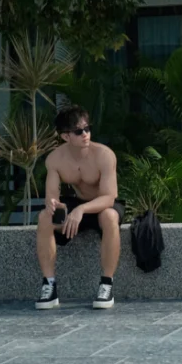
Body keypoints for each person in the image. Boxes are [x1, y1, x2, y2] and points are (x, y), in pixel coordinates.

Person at [36, 106, 122, 310]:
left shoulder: (104, 155)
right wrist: (54, 204)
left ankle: (106, 285)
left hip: (101, 205)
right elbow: (52, 196)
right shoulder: (55, 159)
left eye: (87, 129)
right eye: (78, 131)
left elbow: (109, 197)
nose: (85, 134)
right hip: (77, 203)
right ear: (65, 136)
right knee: (44, 217)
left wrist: (80, 210)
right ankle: (49, 285)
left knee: (110, 216)